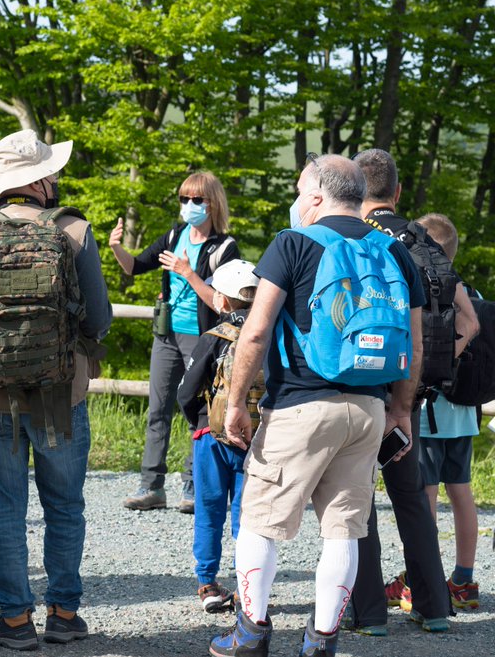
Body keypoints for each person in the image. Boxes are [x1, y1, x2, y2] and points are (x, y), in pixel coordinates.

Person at [209, 154, 424, 657]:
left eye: (301, 191)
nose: (297, 200)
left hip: (301, 406)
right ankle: (321, 640)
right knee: (344, 529)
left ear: (317, 196)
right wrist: (400, 410)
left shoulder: (293, 243)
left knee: (261, 520)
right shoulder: (395, 253)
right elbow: (412, 345)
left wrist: (237, 402)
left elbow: (257, 331)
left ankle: (251, 633)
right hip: (368, 410)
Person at [0, 130, 112, 650]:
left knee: (6, 509)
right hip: (63, 394)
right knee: (65, 505)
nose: (56, 178)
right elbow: (98, 319)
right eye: (51, 172)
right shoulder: (75, 231)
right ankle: (63, 613)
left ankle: (15, 620)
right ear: (38, 181)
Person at [348, 148, 478, 634]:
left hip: (361, 386)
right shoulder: (422, 239)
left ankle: (369, 615)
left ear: (355, 190)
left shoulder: (353, 237)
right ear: (398, 192)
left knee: (357, 502)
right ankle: (435, 608)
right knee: (412, 504)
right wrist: (428, 374)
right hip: (413, 395)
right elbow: (465, 319)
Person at [110, 172, 239, 513]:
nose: (189, 206)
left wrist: (188, 272)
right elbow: (135, 267)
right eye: (184, 199)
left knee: (198, 411)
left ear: (213, 203)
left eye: (197, 200)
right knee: (158, 409)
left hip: (202, 338)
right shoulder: (173, 235)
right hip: (166, 335)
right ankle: (151, 486)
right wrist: (116, 248)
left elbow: (221, 302)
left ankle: (194, 486)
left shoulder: (224, 247)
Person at [175, 259, 260, 614]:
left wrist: (198, 424)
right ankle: (247, 587)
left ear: (222, 302)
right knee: (247, 514)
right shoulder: (267, 335)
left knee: (209, 509)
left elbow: (186, 390)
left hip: (212, 437)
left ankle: (208, 583)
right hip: (255, 438)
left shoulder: (214, 338)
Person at [413, 213, 481, 612]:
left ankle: (425, 580)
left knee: (426, 498)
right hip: (464, 413)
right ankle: (464, 580)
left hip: (428, 411)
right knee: (462, 494)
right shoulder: (467, 290)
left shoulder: (427, 288)